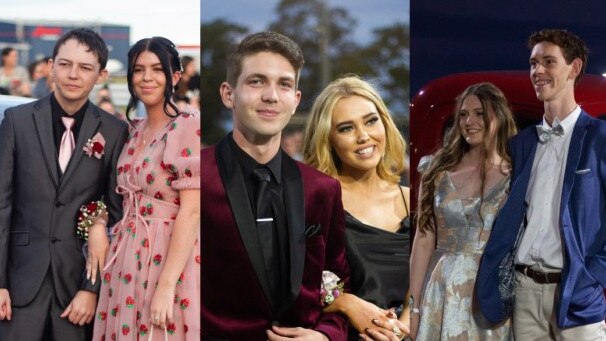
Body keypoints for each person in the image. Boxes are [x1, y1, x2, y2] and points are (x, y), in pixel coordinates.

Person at [202, 31, 350, 341]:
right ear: (228, 94)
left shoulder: (321, 189)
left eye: (284, 84)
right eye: (257, 81)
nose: (271, 95)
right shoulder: (195, 177)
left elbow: (338, 283)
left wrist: (325, 336)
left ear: (295, 100)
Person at [0, 27, 129, 340]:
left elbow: (115, 212)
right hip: (17, 284)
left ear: (99, 76)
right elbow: (2, 204)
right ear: (51, 66)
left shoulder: (113, 131)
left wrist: (92, 289)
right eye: (65, 64)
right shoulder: (17, 120)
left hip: (76, 288)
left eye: (85, 67)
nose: (73, 74)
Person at [477, 29, 606, 340]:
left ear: (574, 68)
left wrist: (593, 277)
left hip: (578, 294)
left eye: (549, 62)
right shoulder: (522, 144)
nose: (538, 71)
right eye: (533, 63)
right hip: (525, 291)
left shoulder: (600, 139)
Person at [91, 36, 200, 340]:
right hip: (125, 253)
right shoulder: (130, 130)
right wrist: (98, 225)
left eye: (157, 69)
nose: (147, 78)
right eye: (139, 70)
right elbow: (103, 194)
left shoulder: (188, 124)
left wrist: (166, 286)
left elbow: (192, 212)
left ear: (175, 76)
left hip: (170, 257)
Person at [303, 76, 410, 341]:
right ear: (328, 139)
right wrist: (346, 303)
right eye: (346, 128)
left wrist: (401, 329)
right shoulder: (313, 202)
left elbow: (430, 280)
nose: (364, 136)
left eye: (371, 121)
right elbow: (293, 283)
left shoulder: (414, 199)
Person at [409, 82, 517, 340]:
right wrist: (412, 308)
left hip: (490, 294)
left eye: (479, 113)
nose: (469, 121)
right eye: (463, 114)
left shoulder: (516, 175)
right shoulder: (436, 170)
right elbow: (423, 240)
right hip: (441, 292)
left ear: (498, 116)